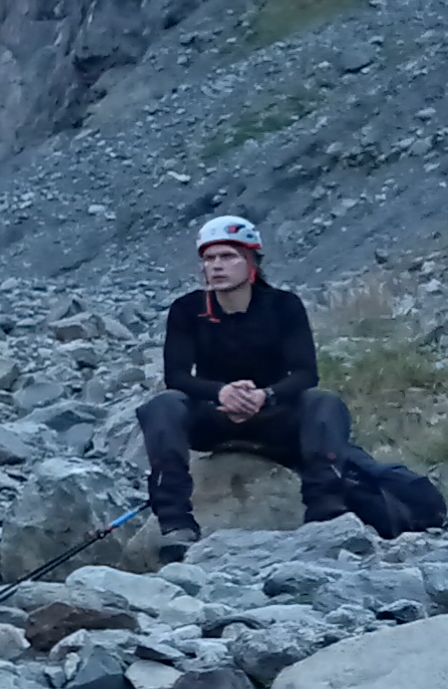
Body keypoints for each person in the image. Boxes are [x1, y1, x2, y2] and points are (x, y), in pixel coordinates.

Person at [135, 214, 363, 557]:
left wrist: (264, 396)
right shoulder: (187, 309)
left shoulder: (284, 306)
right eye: (209, 259)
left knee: (323, 403)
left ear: (251, 261)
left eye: (228, 257)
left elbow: (305, 373)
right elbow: (177, 376)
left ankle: (326, 514)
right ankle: (176, 524)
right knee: (163, 405)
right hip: (214, 416)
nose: (217, 266)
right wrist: (221, 393)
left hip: (274, 416)